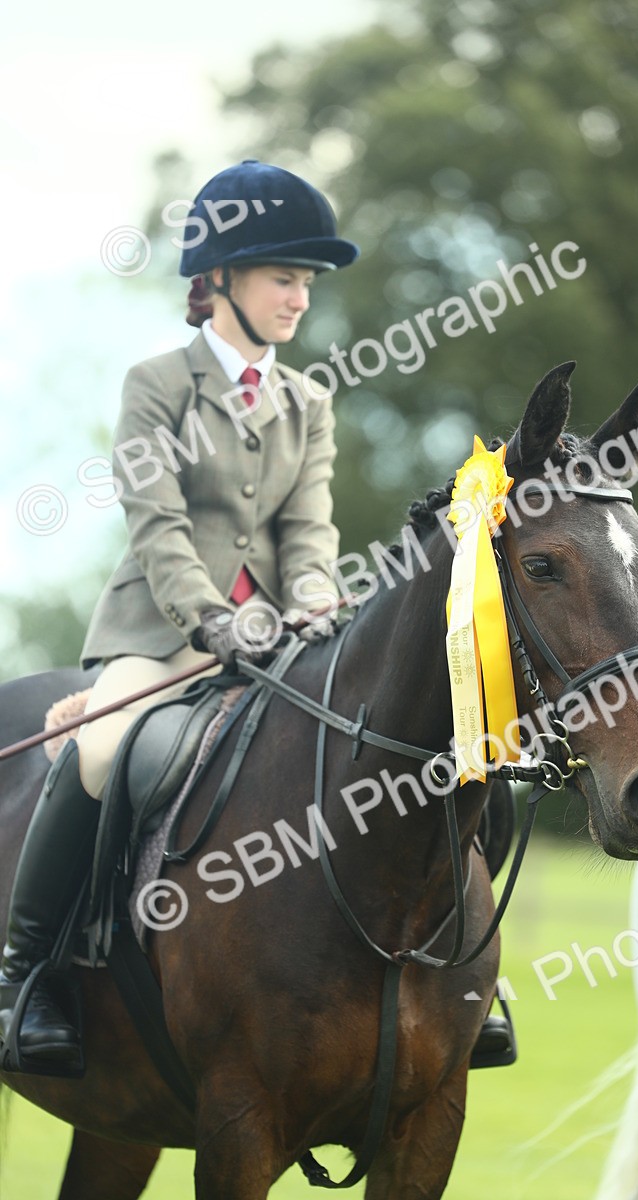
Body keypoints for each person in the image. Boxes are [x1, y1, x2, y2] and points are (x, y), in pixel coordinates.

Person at [0, 160, 359, 1071]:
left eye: (306, 283)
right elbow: (157, 525)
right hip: (165, 635)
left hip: (284, 636)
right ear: (221, 283)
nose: (299, 299)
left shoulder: (309, 402)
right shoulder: (156, 383)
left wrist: (316, 595)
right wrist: (209, 617)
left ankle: (444, 973)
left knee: (382, 734)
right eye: (284, 277)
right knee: (100, 750)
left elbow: (309, 525)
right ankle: (27, 975)